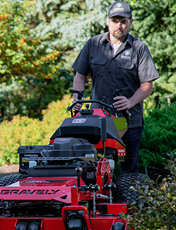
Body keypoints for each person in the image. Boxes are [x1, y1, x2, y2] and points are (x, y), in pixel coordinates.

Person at [71, 1, 159, 174]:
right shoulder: (93, 44)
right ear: (107, 21)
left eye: (123, 21)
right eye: (115, 20)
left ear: (130, 22)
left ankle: (130, 200)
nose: (119, 25)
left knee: (129, 171)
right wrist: (77, 99)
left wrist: (130, 102)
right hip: (98, 122)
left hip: (129, 121)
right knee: (94, 170)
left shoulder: (139, 48)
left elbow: (148, 86)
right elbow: (80, 76)